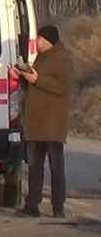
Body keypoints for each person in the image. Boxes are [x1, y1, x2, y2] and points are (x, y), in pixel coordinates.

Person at [10, 25, 74, 218]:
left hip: (53, 124)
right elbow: (34, 85)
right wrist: (21, 78)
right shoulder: (40, 59)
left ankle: (58, 207)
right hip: (35, 123)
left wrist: (37, 79)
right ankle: (32, 205)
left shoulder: (63, 60)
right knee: (34, 168)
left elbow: (63, 88)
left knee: (56, 168)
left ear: (48, 41)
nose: (36, 41)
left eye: (39, 38)